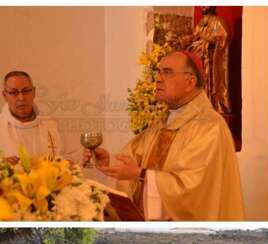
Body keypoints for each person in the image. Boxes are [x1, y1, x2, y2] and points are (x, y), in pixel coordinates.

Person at [87, 51, 245, 221]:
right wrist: (108, 162)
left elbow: (192, 191)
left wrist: (140, 174)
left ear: (190, 82)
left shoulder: (209, 126)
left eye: (167, 72)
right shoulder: (163, 122)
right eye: (159, 72)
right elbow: (134, 160)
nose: (158, 78)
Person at [0, 71, 73, 163]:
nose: (21, 97)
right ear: (5, 95)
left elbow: (71, 157)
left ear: (34, 92)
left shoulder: (52, 125)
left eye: (26, 91)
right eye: (14, 92)